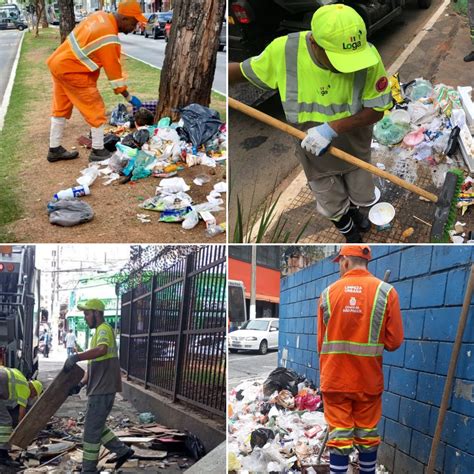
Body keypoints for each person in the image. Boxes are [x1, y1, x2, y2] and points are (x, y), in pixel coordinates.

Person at [228, 4, 393, 242]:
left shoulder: (368, 56)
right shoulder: (284, 51)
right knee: (331, 202)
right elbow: (243, 72)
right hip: (314, 153)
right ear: (314, 43)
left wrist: (332, 128)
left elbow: (377, 110)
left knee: (362, 193)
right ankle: (349, 231)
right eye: (337, 58)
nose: (346, 66)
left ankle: (357, 214)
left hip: (356, 146)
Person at [317, 245, 404, 474]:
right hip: (368, 380)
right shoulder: (386, 293)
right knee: (367, 435)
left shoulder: (327, 293)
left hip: (335, 379)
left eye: (339, 263)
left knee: (340, 436)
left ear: (345, 261)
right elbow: (394, 342)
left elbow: (320, 344)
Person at [46, 0, 147, 163]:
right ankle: (98, 150)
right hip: (74, 71)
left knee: (61, 108)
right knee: (96, 109)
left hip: (59, 63)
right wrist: (129, 98)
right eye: (134, 23)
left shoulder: (99, 16)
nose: (134, 28)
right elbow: (115, 77)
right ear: (125, 18)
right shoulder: (109, 37)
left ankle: (54, 148)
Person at [63, 299, 133, 473]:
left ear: (97, 313)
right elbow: (93, 365)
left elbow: (102, 350)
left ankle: (88, 469)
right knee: (96, 426)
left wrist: (76, 357)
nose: (85, 318)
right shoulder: (98, 333)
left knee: (91, 432)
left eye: (87, 314)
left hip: (103, 388)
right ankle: (123, 451)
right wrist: (80, 384)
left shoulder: (103, 330)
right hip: (100, 387)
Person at [0, 367, 43, 467]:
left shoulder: (20, 376)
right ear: (33, 389)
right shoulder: (25, 389)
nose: (31, 397)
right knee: (6, 421)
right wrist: (20, 432)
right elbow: (21, 415)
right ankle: (2, 455)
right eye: (33, 394)